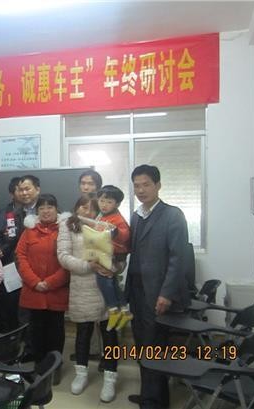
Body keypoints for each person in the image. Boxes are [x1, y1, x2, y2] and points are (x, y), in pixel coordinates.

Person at [126, 164, 190, 409]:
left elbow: (178, 259)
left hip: (158, 294)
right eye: (137, 186)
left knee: (154, 348)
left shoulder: (173, 215)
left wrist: (166, 293)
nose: (141, 190)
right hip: (137, 292)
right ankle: (149, 395)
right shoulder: (136, 215)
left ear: (158, 185)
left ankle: (154, 402)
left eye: (146, 184)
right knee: (143, 345)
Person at [57, 195, 119, 401]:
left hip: (106, 286)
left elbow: (121, 254)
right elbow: (63, 256)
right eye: (83, 207)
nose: (87, 211)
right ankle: (81, 374)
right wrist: (87, 266)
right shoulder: (68, 226)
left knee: (110, 333)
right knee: (83, 333)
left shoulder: (106, 224)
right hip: (82, 286)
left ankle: (110, 377)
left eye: (92, 208)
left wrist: (114, 268)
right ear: (76, 208)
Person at [16, 194, 69, 368]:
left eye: (50, 207)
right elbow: (20, 257)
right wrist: (34, 281)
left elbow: (69, 260)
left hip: (56, 291)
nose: (46, 211)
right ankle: (39, 366)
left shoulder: (66, 230)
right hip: (34, 291)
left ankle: (54, 366)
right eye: (42, 208)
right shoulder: (29, 231)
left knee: (56, 331)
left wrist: (50, 282)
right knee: (36, 331)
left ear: (56, 209)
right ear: (37, 211)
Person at [93, 185, 132, 331]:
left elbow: (125, 234)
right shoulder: (102, 215)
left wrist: (114, 231)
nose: (104, 204)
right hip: (108, 252)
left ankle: (113, 309)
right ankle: (124, 310)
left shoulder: (116, 218)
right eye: (102, 200)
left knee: (103, 278)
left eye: (109, 202)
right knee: (113, 282)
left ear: (117, 204)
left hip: (114, 254)